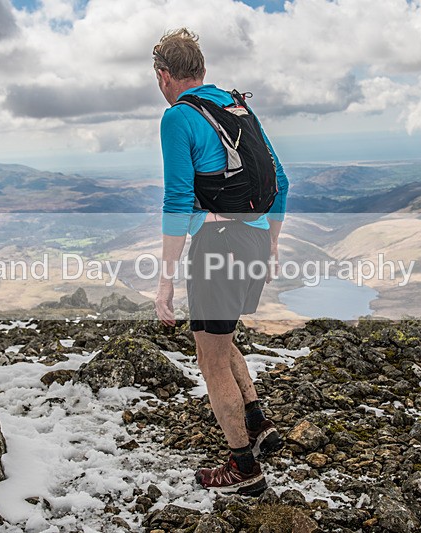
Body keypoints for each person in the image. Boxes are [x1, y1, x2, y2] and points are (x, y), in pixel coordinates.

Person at [153, 28, 289, 495]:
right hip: (251, 240)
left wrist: (165, 281)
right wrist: (270, 245)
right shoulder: (236, 106)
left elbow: (176, 200)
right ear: (203, 71)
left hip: (217, 247)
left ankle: (243, 470)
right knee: (218, 336)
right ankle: (256, 420)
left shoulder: (179, 117)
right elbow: (281, 180)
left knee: (209, 359)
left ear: (164, 75)